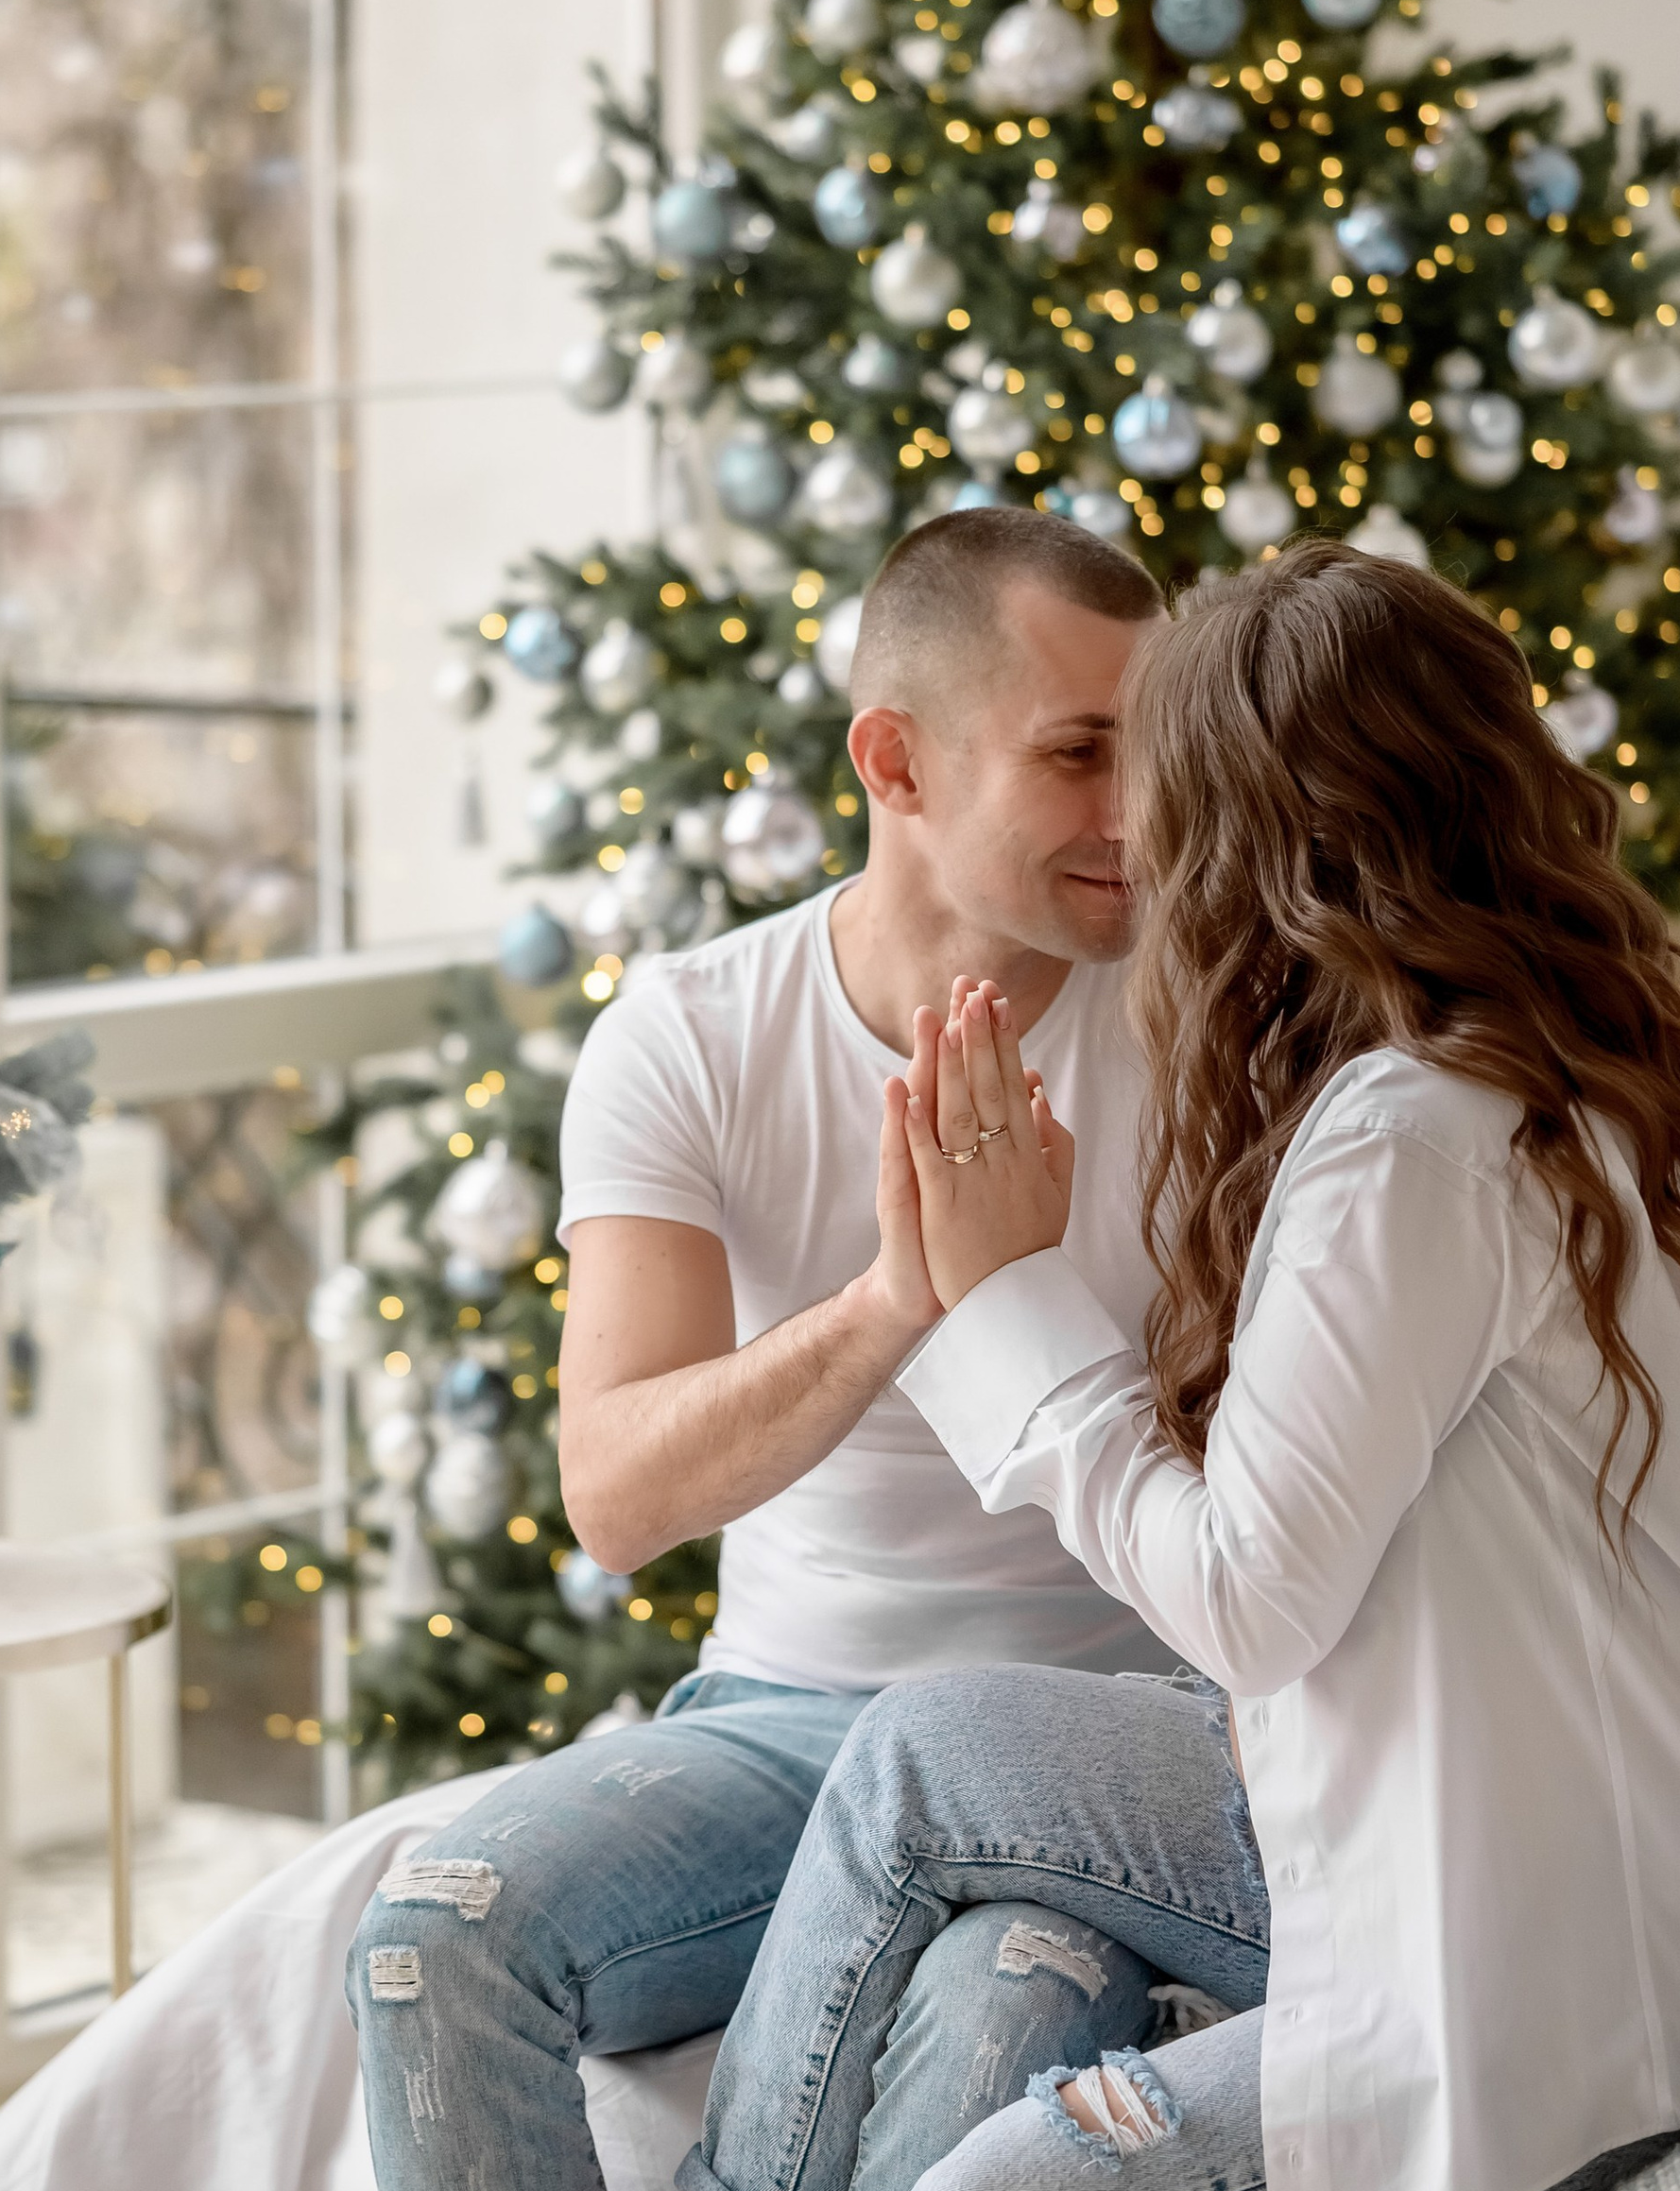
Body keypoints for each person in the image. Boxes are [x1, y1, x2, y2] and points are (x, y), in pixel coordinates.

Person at [678, 542, 1680, 2191]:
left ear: (1247, 836)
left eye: (1157, 792)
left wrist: (1001, 1297)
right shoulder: (1581, 1081)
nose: (1129, 834)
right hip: (1632, 1891)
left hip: (1562, 1975)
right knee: (922, 1751)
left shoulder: (1419, 1140)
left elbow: (1251, 1599)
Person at [342, 506, 1192, 2191]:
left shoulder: (1216, 1018)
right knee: (432, 1937)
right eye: (1083, 755)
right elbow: (616, 1492)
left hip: (1102, 1743)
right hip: (786, 1721)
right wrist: (903, 1297)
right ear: (897, 763)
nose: (1141, 817)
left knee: (998, 2017)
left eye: (1156, 754)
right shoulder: (690, 1037)